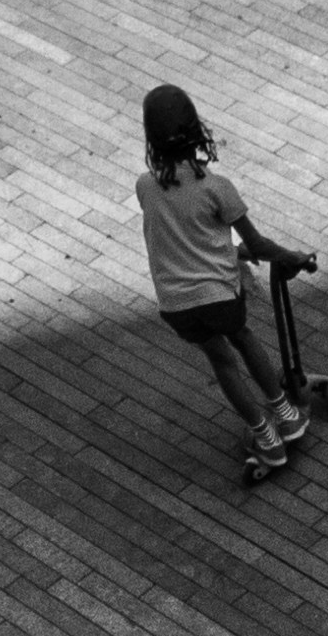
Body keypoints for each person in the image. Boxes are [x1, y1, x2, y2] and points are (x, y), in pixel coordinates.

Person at [134, 85, 316, 479]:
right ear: (197, 133)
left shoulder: (145, 187)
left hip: (176, 305)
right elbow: (258, 245)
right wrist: (292, 258)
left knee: (221, 362)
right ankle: (287, 415)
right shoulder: (217, 189)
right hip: (219, 297)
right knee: (245, 340)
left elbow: (188, 237)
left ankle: (264, 437)